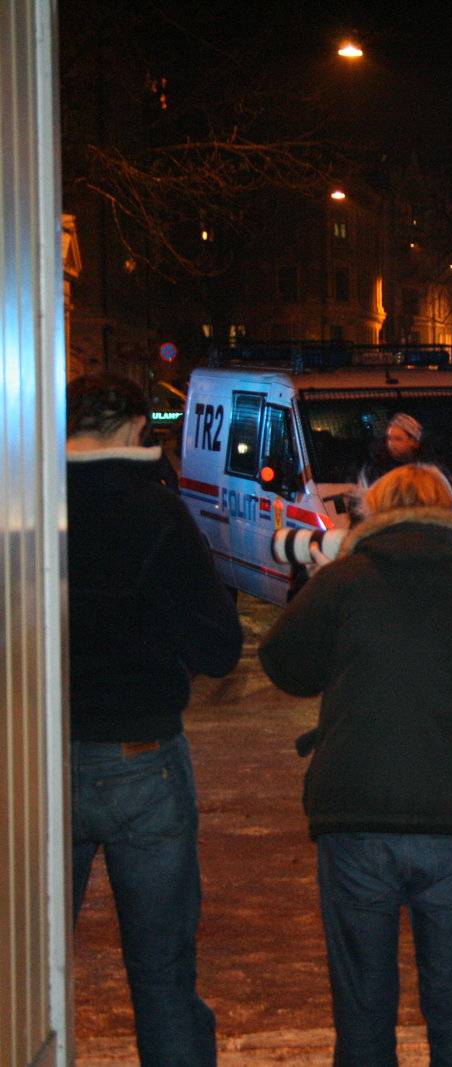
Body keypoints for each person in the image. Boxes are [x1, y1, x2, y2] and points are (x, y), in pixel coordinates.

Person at [258, 463, 452, 1066]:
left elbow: (283, 663)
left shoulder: (343, 581)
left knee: (363, 1015)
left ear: (373, 511)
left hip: (357, 812)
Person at [66, 374, 244, 1065]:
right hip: (141, 752)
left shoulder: (25, 501)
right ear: (138, 426)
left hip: (39, 756)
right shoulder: (156, 513)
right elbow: (219, 646)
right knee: (163, 974)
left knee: (28, 967)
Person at [358, 411, 425, 487]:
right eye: (389, 439)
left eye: (398, 439)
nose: (391, 444)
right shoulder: (375, 467)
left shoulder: (427, 467)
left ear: (413, 442)